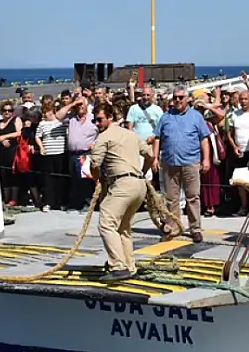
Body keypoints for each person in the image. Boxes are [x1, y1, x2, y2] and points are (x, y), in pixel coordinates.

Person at [88, 104, 153, 282]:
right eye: (94, 120)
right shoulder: (131, 134)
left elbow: (94, 164)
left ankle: (118, 266)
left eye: (99, 119)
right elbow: (150, 154)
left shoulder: (104, 137)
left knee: (106, 224)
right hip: (139, 184)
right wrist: (142, 171)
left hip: (122, 184)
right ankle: (129, 266)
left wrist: (97, 180)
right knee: (123, 228)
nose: (97, 123)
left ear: (110, 117)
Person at [154, 86, 212, 243]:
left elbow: (204, 138)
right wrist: (154, 157)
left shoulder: (196, 117)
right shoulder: (165, 117)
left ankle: (195, 228)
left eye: (181, 97)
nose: (177, 100)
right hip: (169, 162)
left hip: (190, 162)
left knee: (193, 196)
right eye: (175, 97)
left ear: (187, 99)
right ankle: (173, 228)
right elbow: (158, 138)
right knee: (170, 198)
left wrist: (206, 159)